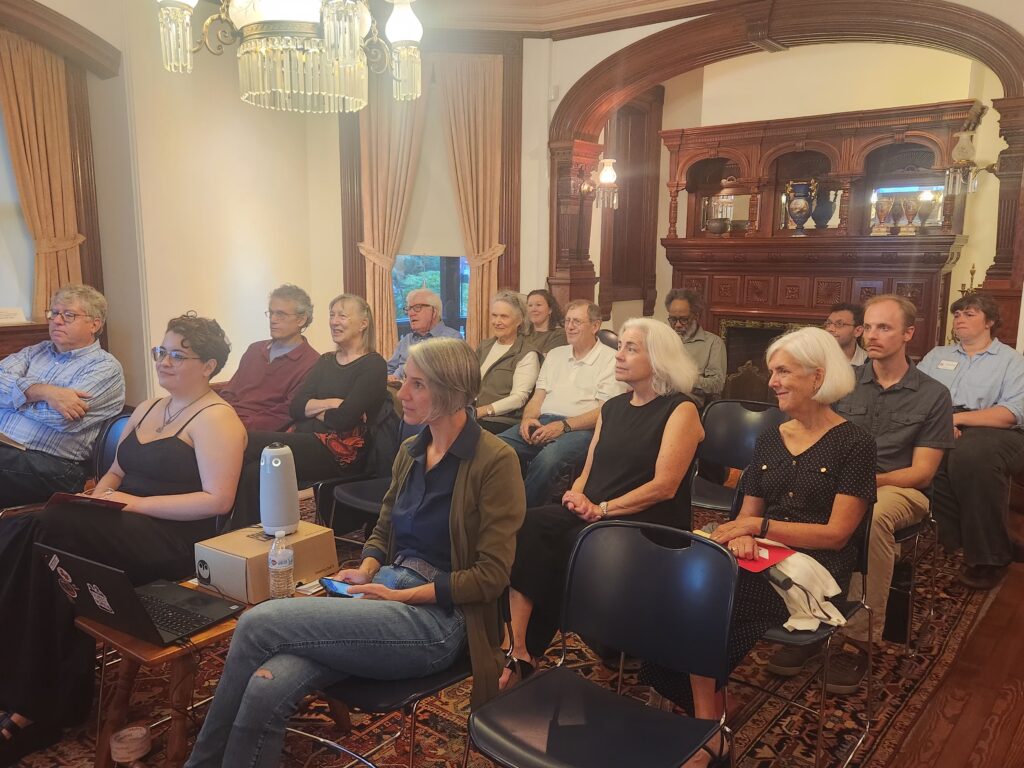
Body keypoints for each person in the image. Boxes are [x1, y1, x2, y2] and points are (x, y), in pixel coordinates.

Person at [184, 338, 526, 767]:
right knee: (266, 685)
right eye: (405, 382)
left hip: (440, 621)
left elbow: (491, 577)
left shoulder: (495, 461)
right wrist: (366, 570)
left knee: (256, 623)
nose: (401, 394)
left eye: (417, 385)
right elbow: (384, 527)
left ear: (452, 392)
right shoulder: (413, 450)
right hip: (386, 592)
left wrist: (399, 595)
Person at [0, 314, 246, 765]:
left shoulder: (217, 418)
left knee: (48, 528)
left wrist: (133, 504)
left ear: (209, 365)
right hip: (123, 524)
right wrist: (95, 499)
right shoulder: (149, 408)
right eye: (161, 352)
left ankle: (40, 703)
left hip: (171, 541)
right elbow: (114, 473)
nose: (164, 361)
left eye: (177, 355)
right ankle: (30, 687)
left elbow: (217, 500)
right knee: (24, 533)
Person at [641, 327, 875, 766]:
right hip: (763, 554)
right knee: (673, 582)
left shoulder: (855, 443)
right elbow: (746, 514)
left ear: (818, 376)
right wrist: (746, 532)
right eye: (773, 372)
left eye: (783, 372)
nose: (772, 382)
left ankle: (707, 731)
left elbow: (837, 535)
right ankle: (710, 714)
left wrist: (757, 526)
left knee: (707, 598)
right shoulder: (772, 436)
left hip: (815, 569)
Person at [502, 318, 703, 684]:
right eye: (620, 346)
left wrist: (602, 509)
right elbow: (589, 467)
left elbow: (664, 486)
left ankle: (532, 652)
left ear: (658, 359)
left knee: (560, 544)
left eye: (631, 348)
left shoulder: (681, 409)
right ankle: (518, 647)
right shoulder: (612, 407)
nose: (619, 355)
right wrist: (578, 494)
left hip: (647, 521)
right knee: (529, 525)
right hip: (595, 512)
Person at [767, 294, 952, 692]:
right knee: (797, 502)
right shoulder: (845, 385)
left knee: (873, 515)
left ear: (908, 333)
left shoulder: (933, 394)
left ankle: (858, 639)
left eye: (884, 327)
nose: (872, 335)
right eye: (867, 326)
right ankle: (810, 619)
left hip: (900, 488)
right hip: (842, 478)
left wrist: (857, 483)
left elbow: (922, 472)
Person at [231, 294, 387, 527]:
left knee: (246, 441)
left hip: (341, 452)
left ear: (363, 323)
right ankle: (243, 534)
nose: (334, 322)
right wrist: (332, 403)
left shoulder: (373, 364)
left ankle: (221, 521)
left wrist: (315, 407)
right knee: (254, 472)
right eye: (332, 315)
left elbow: (344, 420)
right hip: (308, 440)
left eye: (342, 316)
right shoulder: (326, 361)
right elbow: (296, 407)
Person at [918, 293, 1024, 590]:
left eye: (969, 314)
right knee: (931, 457)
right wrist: (939, 423)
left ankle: (991, 559)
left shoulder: (1012, 361)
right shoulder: (937, 355)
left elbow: (1011, 413)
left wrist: (954, 420)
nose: (960, 319)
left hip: (997, 430)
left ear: (989, 322)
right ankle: (963, 539)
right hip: (943, 423)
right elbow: (916, 395)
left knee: (971, 456)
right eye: (957, 314)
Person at [0, 284, 125, 507]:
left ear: (94, 324)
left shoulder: (105, 368)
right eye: (54, 313)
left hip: (55, 466)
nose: (57, 321)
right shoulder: (36, 351)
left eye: (69, 315)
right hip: (8, 450)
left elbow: (61, 419)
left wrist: (13, 398)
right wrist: (44, 392)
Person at [497, 300, 626, 507]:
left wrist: (563, 426)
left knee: (547, 460)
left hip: (583, 429)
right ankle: (495, 506)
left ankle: (521, 514)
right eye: (567, 321)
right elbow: (537, 397)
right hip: (543, 421)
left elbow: (605, 411)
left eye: (577, 322)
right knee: (495, 447)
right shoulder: (556, 355)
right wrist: (528, 419)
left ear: (595, 326)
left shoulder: (611, 359)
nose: (570, 327)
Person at [219, 284, 320, 431]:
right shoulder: (254, 350)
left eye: (281, 314)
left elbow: (285, 413)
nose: (273, 319)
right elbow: (229, 392)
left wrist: (237, 427)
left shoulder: (312, 362)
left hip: (257, 433)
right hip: (225, 422)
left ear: (301, 319)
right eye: (271, 313)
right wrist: (218, 417)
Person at [475, 290, 540, 434]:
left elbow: (519, 398)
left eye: (504, 316)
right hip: (475, 415)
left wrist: (483, 410)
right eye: (494, 315)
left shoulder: (527, 354)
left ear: (519, 320)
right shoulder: (484, 346)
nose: (497, 322)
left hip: (502, 421)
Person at [664, 289, 726, 407]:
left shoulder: (713, 343)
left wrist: (683, 379)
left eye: (684, 319)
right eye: (673, 320)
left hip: (689, 406)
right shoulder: (662, 340)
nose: (677, 325)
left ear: (696, 316)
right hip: (659, 401)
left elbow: (717, 385)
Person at [387, 288, 461, 382]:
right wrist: (389, 378)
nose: (410, 313)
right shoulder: (406, 340)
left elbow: (453, 378)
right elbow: (388, 370)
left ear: (434, 311)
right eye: (409, 309)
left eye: (417, 307)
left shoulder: (452, 339)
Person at [523, 289, 567, 355]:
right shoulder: (522, 335)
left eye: (538, 305)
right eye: (530, 305)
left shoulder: (560, 335)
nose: (533, 309)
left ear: (550, 309)